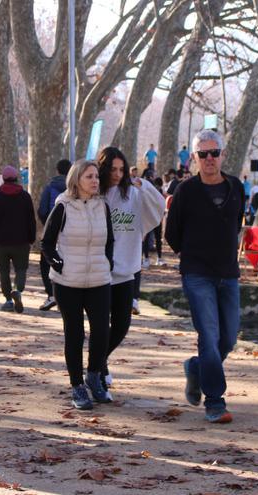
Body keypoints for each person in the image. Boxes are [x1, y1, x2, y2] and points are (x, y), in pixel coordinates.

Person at [165, 129, 244, 424]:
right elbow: (172, 233)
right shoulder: (186, 191)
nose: (209, 158)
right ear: (194, 158)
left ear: (223, 154)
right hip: (197, 274)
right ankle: (214, 401)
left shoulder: (236, 187)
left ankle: (197, 368)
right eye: (203, 154)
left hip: (228, 273)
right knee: (209, 335)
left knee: (228, 338)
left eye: (214, 153)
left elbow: (236, 224)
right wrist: (192, 255)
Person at [41, 160, 114, 410]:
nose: (95, 181)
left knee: (102, 331)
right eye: (89, 177)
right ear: (76, 180)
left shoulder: (103, 206)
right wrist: (60, 264)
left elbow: (110, 240)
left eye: (96, 176)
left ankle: (94, 375)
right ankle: (77, 386)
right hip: (67, 282)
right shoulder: (63, 206)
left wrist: (107, 262)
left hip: (99, 279)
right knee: (74, 333)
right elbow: (46, 243)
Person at [98, 146, 166, 398]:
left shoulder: (134, 194)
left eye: (121, 169)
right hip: (98, 272)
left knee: (122, 325)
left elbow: (158, 207)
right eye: (112, 169)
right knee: (100, 326)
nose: (117, 174)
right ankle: (98, 370)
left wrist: (144, 185)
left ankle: (98, 361)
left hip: (126, 271)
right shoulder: (95, 194)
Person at [0, 166, 36, 313]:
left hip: (1, 242)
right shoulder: (25, 196)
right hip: (21, 241)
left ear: (3, 179)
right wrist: (31, 238)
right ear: (16, 179)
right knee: (21, 269)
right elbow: (31, 220)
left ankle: (8, 300)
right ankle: (17, 290)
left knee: (4, 272)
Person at [37, 159, 71, 311]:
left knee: (46, 262)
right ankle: (67, 295)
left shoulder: (50, 187)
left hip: (52, 232)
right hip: (71, 231)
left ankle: (51, 295)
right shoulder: (75, 188)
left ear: (57, 170)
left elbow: (43, 210)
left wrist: (49, 225)